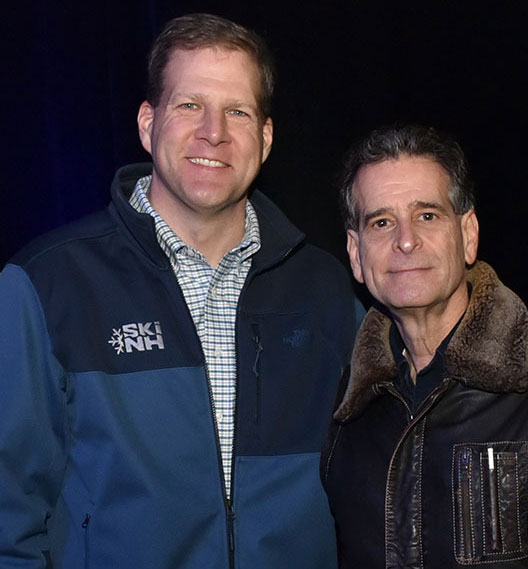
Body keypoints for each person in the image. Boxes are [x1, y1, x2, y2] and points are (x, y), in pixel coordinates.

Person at [0, 13, 360, 569]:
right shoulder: (46, 285)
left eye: (237, 111)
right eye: (190, 104)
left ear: (265, 139)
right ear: (148, 123)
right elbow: (9, 514)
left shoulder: (326, 290)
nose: (213, 132)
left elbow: (412, 422)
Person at [320, 123, 528, 568]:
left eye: (427, 215)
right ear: (356, 254)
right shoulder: (348, 409)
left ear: (467, 234)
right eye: (382, 222)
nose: (405, 240)